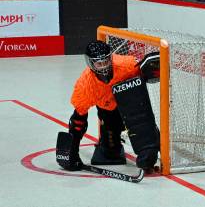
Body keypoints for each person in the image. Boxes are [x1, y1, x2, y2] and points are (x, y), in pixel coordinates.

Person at [56, 40, 160, 173]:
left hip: (131, 104)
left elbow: (143, 72)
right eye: (99, 64)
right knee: (111, 152)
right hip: (108, 111)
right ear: (91, 64)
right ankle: (113, 144)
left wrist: (151, 70)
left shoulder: (126, 65)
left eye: (106, 61)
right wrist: (73, 150)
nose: (104, 66)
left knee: (139, 115)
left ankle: (148, 146)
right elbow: (78, 120)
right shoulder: (85, 86)